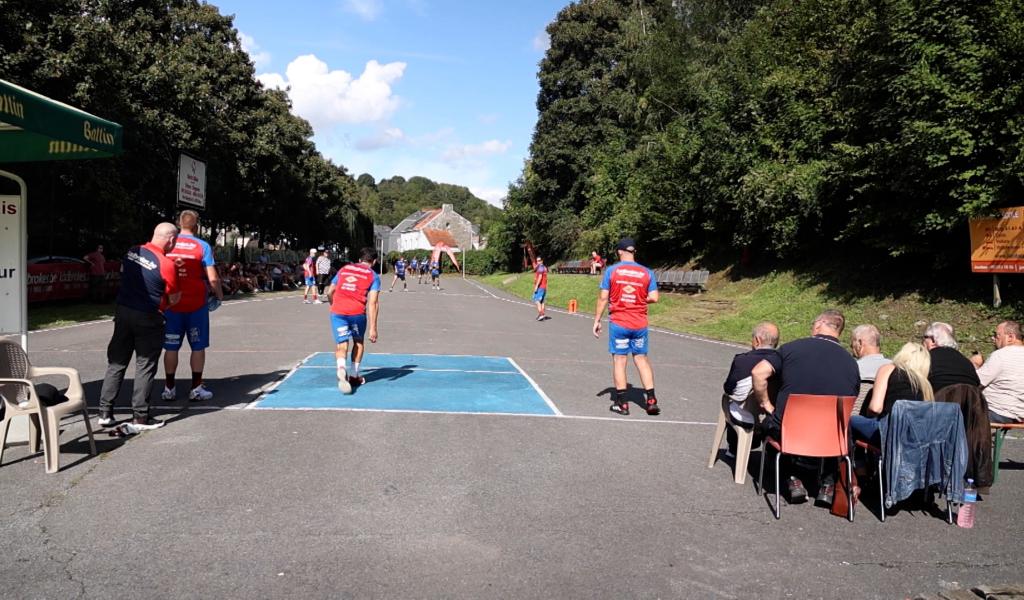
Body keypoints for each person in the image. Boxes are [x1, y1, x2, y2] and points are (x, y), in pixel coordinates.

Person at [750, 309, 859, 503]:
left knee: (769, 423)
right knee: (841, 429)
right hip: (831, 437)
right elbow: (852, 397)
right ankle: (828, 484)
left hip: (791, 431)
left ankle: (793, 478)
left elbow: (758, 373)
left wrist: (766, 403)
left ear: (819, 325)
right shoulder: (851, 363)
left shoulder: (792, 348)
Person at [97, 223, 181, 428]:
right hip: (149, 316)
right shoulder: (167, 264)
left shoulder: (132, 251)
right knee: (145, 365)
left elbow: (127, 274)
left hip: (123, 311)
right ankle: (140, 415)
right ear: (171, 240)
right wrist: (163, 304)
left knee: (117, 362)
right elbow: (174, 297)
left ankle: (105, 411)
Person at [592, 238, 660, 416]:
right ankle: (651, 400)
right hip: (639, 323)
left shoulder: (612, 271)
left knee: (620, 360)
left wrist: (597, 320)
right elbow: (654, 297)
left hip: (619, 322)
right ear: (634, 252)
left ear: (620, 252)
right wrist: (638, 299)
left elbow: (603, 297)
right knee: (641, 359)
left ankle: (622, 404)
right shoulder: (647, 272)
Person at [160, 210, 223, 403]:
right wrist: (219, 295)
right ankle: (196, 388)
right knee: (198, 346)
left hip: (172, 303)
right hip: (196, 304)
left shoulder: (168, 243)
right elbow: (212, 277)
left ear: (179, 224)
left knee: (171, 347)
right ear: (196, 226)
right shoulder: (202, 246)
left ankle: (169, 388)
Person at [849, 342, 934, 444]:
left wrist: (868, 417)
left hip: (889, 432)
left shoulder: (889, 369)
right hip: (913, 438)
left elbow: (875, 408)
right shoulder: (925, 385)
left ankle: (849, 453)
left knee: (851, 420)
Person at [324, 247, 380, 394]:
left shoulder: (344, 269)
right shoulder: (373, 276)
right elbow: (373, 303)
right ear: (374, 261)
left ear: (359, 259)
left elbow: (330, 291)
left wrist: (333, 305)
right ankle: (354, 376)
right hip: (357, 313)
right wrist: (373, 328)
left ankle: (341, 367)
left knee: (342, 344)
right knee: (358, 342)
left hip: (338, 311)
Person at [723, 322, 781, 426]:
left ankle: (733, 436)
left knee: (730, 402)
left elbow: (729, 388)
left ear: (757, 340)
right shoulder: (782, 361)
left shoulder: (742, 360)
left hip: (745, 414)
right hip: (772, 412)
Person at [972, 320, 1024, 424]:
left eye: (997, 335)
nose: (993, 338)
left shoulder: (1001, 355)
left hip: (998, 412)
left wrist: (975, 365)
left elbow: (975, 382)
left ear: (1010, 337)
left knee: (955, 413)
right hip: (1019, 413)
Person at [922, 322, 980, 392]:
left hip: (938, 398)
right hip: (969, 398)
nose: (922, 343)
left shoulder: (926, 359)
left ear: (933, 340)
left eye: (924, 338)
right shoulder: (966, 362)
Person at [850, 324, 891, 413]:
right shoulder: (894, 367)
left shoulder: (852, 367)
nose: (851, 350)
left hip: (854, 417)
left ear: (860, 343)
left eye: (851, 345)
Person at [533, 256, 548, 321]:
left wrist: (536, 286)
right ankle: (542, 314)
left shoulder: (541, 268)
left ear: (542, 261)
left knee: (537, 300)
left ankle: (541, 314)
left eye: (539, 261)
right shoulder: (544, 267)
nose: (538, 262)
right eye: (537, 261)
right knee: (542, 301)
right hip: (544, 287)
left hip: (540, 287)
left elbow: (540, 277)